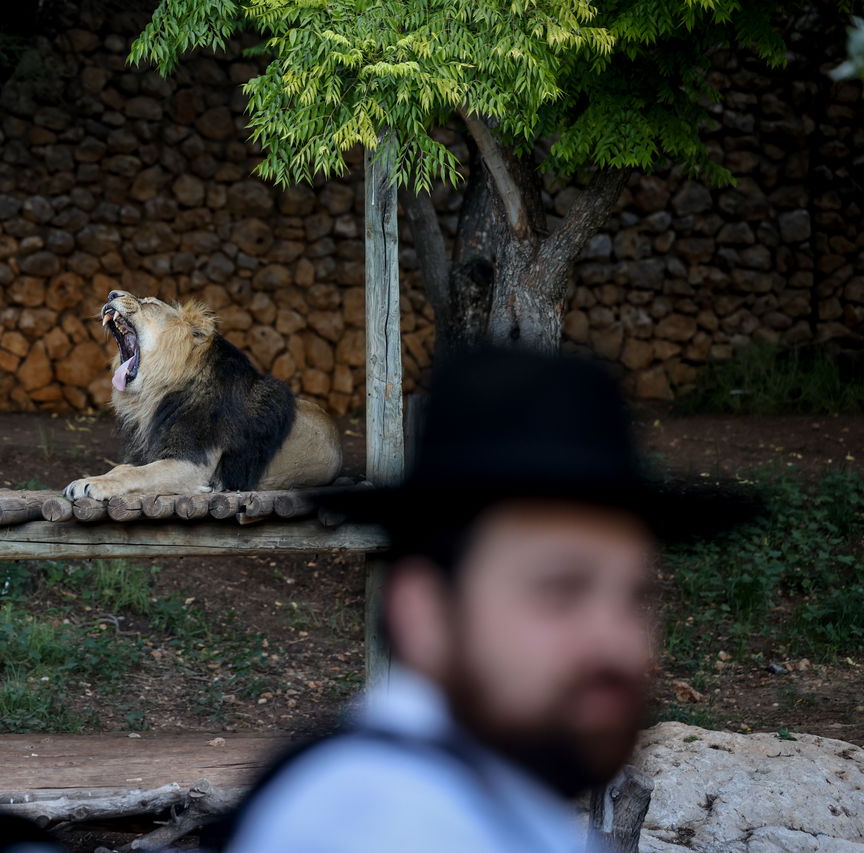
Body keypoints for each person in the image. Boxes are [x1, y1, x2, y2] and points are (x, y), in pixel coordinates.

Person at [222, 347, 752, 853]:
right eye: (560, 590)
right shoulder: (380, 823)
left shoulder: (492, 808)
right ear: (425, 614)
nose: (622, 644)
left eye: (635, 596)